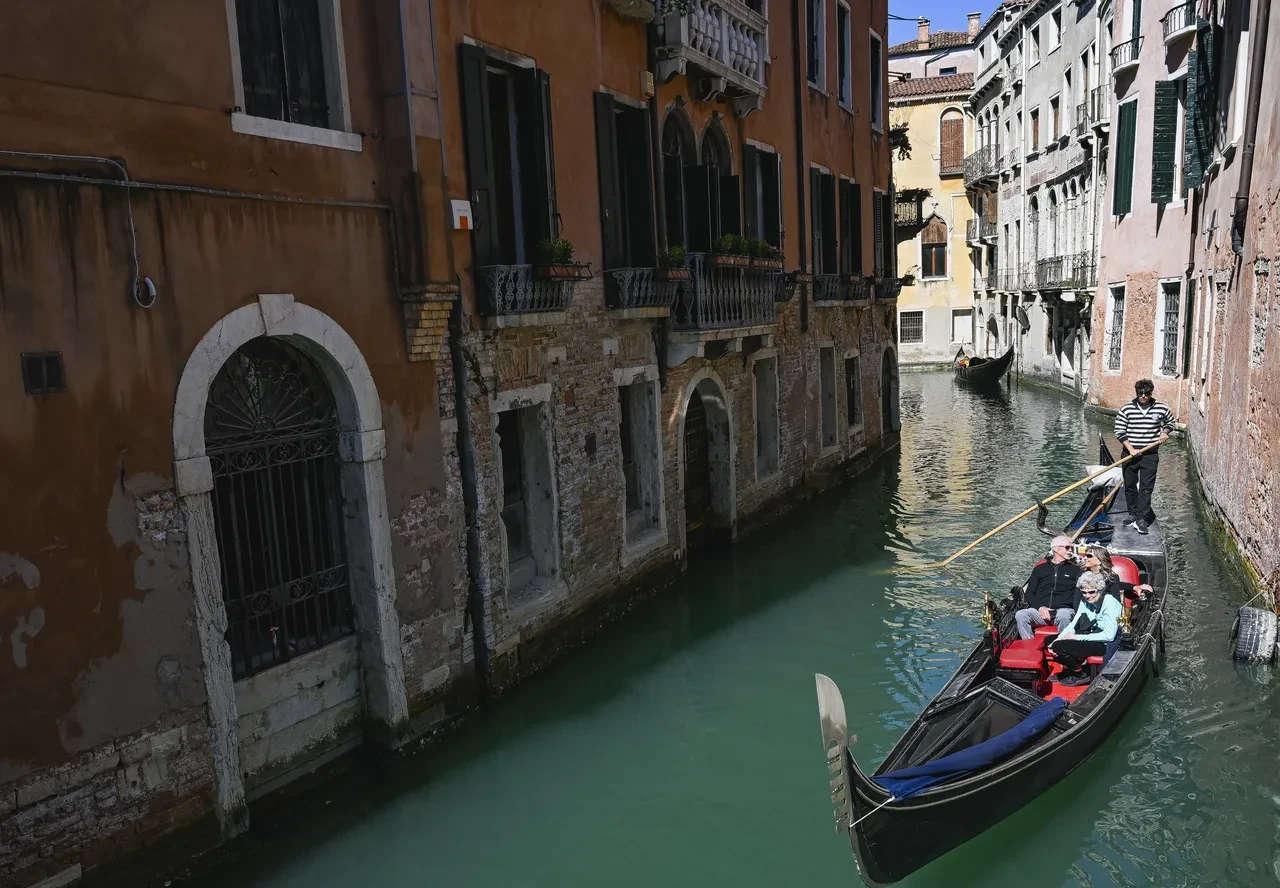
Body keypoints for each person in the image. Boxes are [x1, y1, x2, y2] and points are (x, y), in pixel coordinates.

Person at [1114, 378, 1174, 535]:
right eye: (1141, 393)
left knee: (1146, 488)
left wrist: (1164, 432)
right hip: (1130, 453)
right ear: (1136, 393)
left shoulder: (1161, 408)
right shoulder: (1126, 409)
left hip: (1150, 454)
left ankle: (1141, 518)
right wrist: (1131, 449)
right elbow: (1119, 431)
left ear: (1151, 393)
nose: (1144, 396)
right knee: (1130, 485)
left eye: (1147, 393)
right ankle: (1132, 513)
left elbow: (1170, 423)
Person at [1048, 571, 1122, 686]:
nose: (1087, 596)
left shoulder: (1109, 601)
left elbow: (1109, 635)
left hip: (1104, 643)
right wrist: (1056, 640)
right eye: (1084, 592)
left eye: (1091, 592)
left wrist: (1077, 637)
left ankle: (1080, 673)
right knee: (1049, 641)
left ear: (1100, 590)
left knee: (1060, 647)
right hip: (1090, 636)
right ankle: (1074, 669)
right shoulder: (1085, 601)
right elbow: (1073, 624)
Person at [1015, 535, 1082, 639]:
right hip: (1041, 612)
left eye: (1071, 548)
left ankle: (1062, 646)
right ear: (1055, 549)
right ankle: (1029, 645)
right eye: (1067, 548)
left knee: (1064, 615)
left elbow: (1080, 594)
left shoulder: (1076, 570)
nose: (1071, 551)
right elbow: (1029, 593)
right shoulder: (1040, 569)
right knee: (1021, 615)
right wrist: (1040, 607)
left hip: (1064, 610)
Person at [1080, 545, 1153, 603]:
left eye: (1089, 556)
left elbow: (1114, 585)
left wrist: (1134, 587)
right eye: (1085, 556)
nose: (1085, 558)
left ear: (1099, 560)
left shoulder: (1111, 578)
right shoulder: (1081, 575)